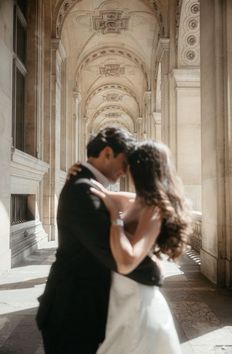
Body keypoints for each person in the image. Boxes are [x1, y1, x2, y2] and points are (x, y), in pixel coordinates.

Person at [36, 127, 163, 354]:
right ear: (107, 153)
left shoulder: (89, 185)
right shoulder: (83, 191)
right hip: (71, 316)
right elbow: (116, 258)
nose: (125, 173)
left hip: (85, 310)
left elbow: (145, 201)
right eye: (124, 163)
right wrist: (154, 272)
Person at [88, 140, 192, 354]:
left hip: (137, 302)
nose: (125, 172)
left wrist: (116, 217)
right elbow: (94, 190)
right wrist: (80, 171)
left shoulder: (153, 209)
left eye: (130, 166)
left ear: (141, 170)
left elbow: (127, 263)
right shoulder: (136, 201)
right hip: (120, 299)